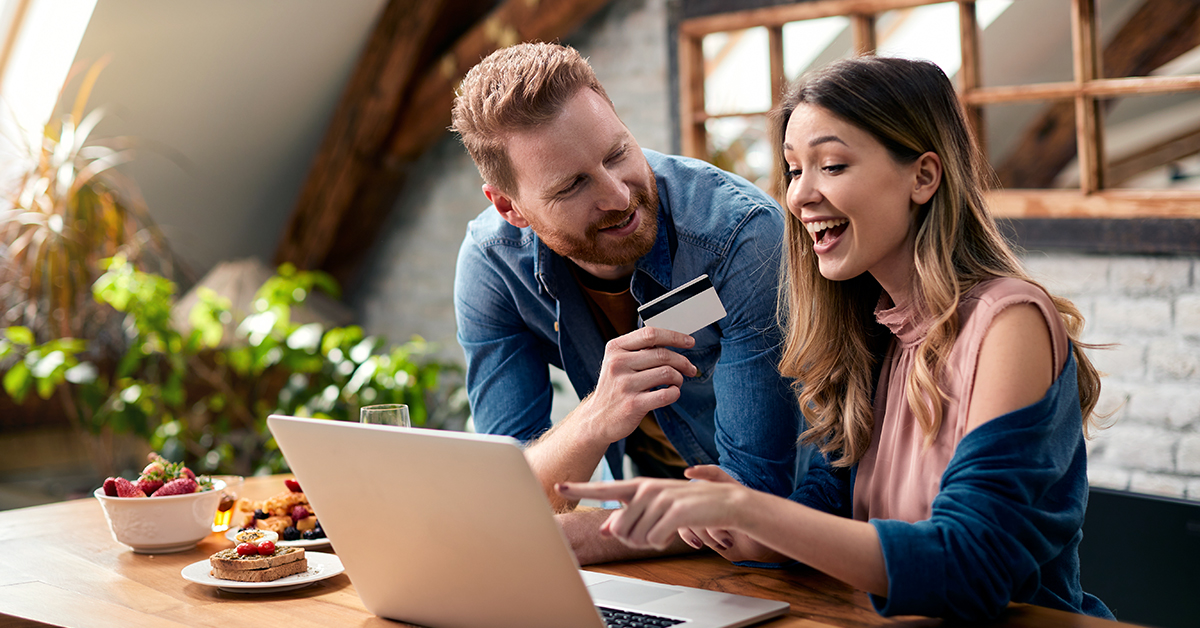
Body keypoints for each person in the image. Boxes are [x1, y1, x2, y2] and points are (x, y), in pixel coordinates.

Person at [559, 56, 1115, 621]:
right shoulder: (873, 331)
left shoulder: (1008, 321)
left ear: (923, 176)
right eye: (794, 170)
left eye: (832, 165)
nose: (800, 196)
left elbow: (969, 565)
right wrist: (733, 526)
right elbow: (831, 504)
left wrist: (752, 511)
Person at [449, 43, 803, 564]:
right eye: (572, 185)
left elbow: (754, 501)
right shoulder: (493, 264)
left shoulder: (739, 237)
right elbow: (511, 486)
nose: (618, 196)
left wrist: (558, 539)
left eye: (617, 153)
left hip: (790, 549)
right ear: (509, 207)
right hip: (656, 544)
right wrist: (596, 417)